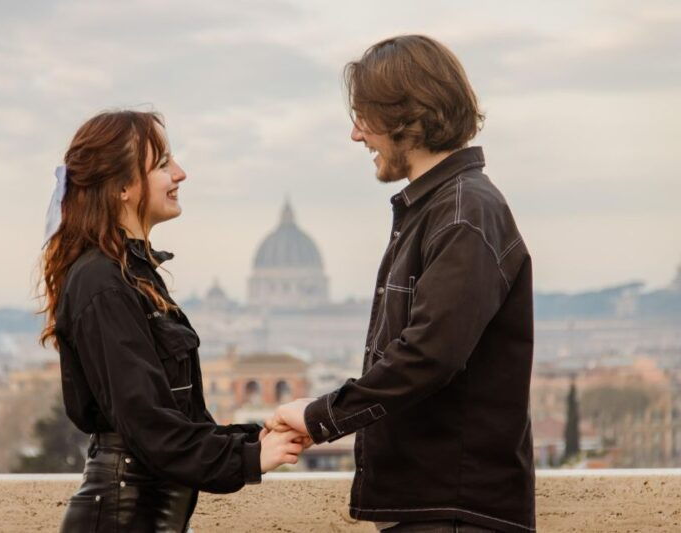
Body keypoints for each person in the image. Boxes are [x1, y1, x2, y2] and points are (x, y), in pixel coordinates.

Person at [266, 35, 536, 533]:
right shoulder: (444, 208)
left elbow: (430, 353)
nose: (355, 135)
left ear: (407, 117)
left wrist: (321, 415)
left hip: (451, 510)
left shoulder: (462, 212)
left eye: (363, 117)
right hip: (439, 507)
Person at [39, 110, 306, 532]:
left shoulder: (130, 275)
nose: (180, 173)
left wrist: (253, 439)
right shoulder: (102, 281)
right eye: (163, 164)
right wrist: (250, 458)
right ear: (123, 187)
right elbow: (148, 423)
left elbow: (178, 417)